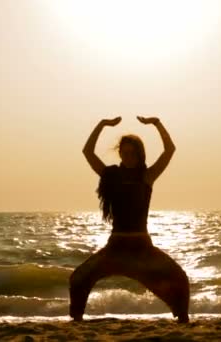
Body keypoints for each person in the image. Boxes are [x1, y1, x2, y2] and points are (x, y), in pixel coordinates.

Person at [69, 116, 190, 323]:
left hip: (142, 248)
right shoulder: (110, 175)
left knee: (179, 278)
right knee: (79, 278)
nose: (129, 156)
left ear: (140, 154)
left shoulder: (147, 176)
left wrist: (157, 124)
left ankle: (182, 319)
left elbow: (169, 150)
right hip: (116, 247)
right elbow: (87, 152)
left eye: (133, 153)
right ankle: (77, 320)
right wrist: (102, 125)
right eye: (125, 153)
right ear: (120, 153)